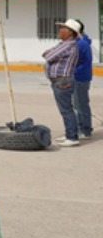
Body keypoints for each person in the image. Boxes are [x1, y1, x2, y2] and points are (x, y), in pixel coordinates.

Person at [43, 19, 81, 147]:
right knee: (65, 109)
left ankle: (72, 137)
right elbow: (48, 53)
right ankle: (69, 134)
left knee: (66, 110)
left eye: (63, 28)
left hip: (62, 81)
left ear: (70, 32)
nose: (60, 30)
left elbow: (48, 56)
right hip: (60, 81)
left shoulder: (68, 45)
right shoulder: (64, 44)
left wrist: (50, 54)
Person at [73, 19, 93, 139]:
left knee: (81, 105)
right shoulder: (79, 42)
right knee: (78, 104)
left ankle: (84, 130)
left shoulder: (80, 44)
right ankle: (82, 128)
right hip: (78, 77)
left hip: (79, 78)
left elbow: (73, 61)